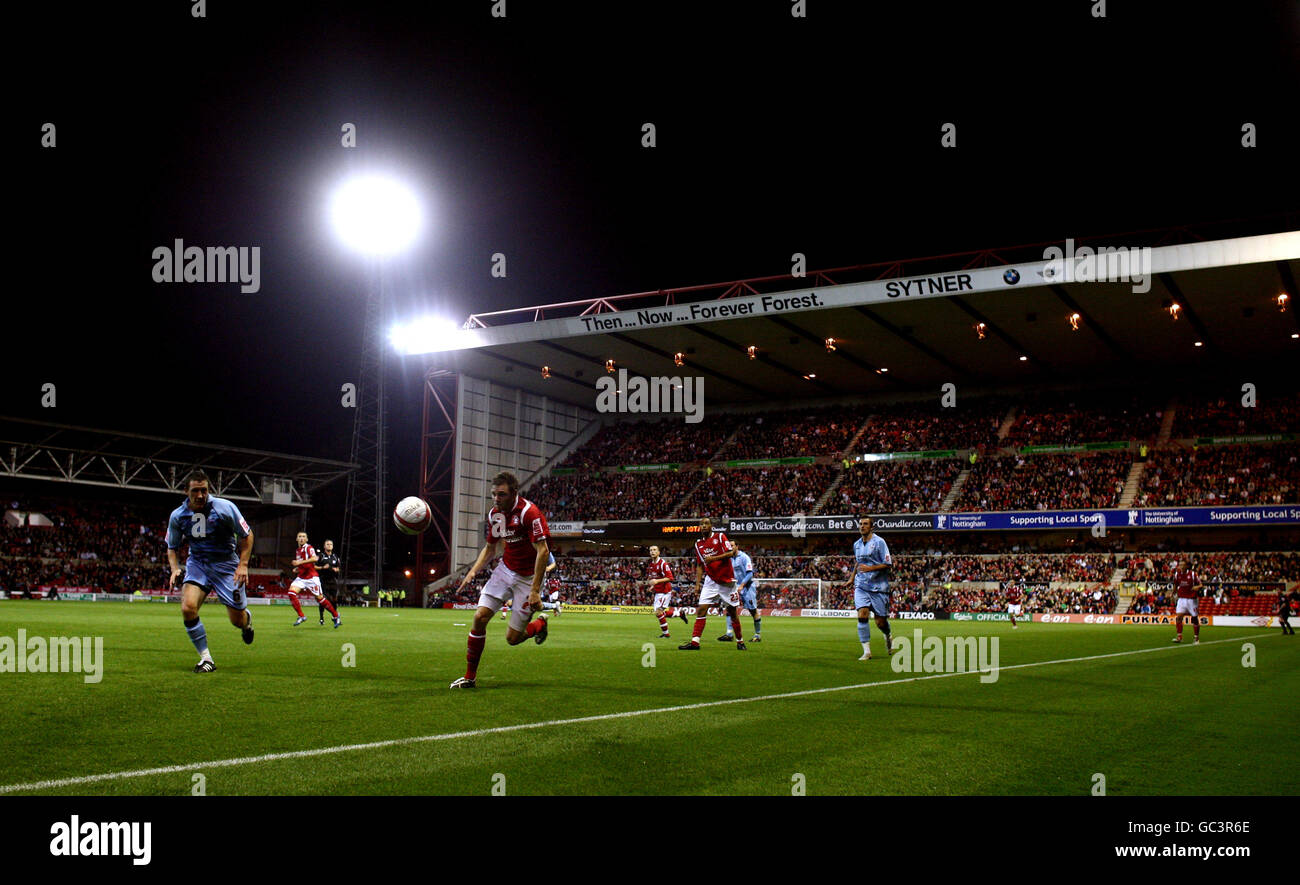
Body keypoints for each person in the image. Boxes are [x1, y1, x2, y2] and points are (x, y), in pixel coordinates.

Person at [450, 472, 554, 689]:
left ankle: (540, 624)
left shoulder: (529, 513)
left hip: (527, 579)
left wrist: (535, 590)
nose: (496, 499)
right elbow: (491, 548)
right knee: (479, 617)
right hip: (505, 571)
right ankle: (470, 677)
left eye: (502, 494)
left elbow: (543, 552)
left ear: (514, 493)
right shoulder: (495, 514)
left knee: (513, 639)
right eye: (493, 494)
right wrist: (472, 571)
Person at [166, 469, 255, 673]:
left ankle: (247, 622)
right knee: (188, 607)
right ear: (186, 491)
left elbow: (247, 535)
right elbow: (172, 547)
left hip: (226, 567)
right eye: (195, 491)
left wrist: (243, 564)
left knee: (236, 621)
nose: (200, 495)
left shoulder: (225, 508)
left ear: (209, 490)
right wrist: (174, 569)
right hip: (198, 564)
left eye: (204, 491)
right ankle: (206, 658)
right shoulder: (178, 516)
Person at [679, 516, 745, 651]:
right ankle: (695, 642)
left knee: (733, 613)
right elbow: (699, 565)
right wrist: (697, 584)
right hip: (710, 581)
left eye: (706, 523)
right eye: (701, 524)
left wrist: (713, 558)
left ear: (711, 526)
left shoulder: (720, 537)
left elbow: (730, 553)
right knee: (701, 610)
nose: (704, 526)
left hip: (727, 581)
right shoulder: (698, 544)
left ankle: (740, 641)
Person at [849, 516, 895, 660]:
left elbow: (888, 564)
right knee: (862, 615)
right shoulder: (856, 544)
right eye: (861, 524)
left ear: (871, 527)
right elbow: (858, 562)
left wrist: (870, 568)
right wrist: (851, 578)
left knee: (880, 622)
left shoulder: (879, 542)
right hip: (861, 586)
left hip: (878, 587)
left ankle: (887, 635)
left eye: (865, 524)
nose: (862, 526)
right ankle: (867, 651)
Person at [288, 532, 341, 628]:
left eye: (303, 537)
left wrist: (299, 562)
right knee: (291, 593)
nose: (301, 538)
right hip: (301, 577)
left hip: (312, 578)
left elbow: (314, 558)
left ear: (307, 539)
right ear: (296, 539)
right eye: (299, 536)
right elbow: (305, 563)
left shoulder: (308, 548)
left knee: (320, 599)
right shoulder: (298, 550)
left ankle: (336, 615)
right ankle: (301, 616)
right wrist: (298, 568)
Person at [718, 546, 761, 642]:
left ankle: (757, 635)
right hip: (734, 587)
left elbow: (750, 574)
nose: (730, 547)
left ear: (737, 546)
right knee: (730, 609)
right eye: (729, 546)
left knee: (753, 611)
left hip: (747, 586)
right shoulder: (728, 558)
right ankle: (729, 633)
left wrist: (741, 585)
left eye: (732, 545)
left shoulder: (744, 557)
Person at [648, 545, 688, 638]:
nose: (652, 552)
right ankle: (679, 614)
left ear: (658, 552)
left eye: (654, 550)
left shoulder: (662, 564)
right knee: (659, 613)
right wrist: (653, 585)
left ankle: (666, 634)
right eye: (650, 550)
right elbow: (656, 577)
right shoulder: (651, 564)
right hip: (658, 591)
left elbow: (670, 578)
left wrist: (657, 581)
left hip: (665, 591)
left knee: (658, 613)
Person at [1169, 559, 1202, 645]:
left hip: (1192, 599)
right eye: (1180, 565)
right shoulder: (1177, 574)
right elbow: (1176, 585)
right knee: (1179, 617)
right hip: (1181, 599)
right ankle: (1179, 636)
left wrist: (1197, 587)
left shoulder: (1193, 574)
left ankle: (1196, 638)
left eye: (1183, 565)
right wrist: (1172, 594)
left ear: (1187, 566)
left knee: (1194, 619)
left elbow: (1201, 584)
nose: (1181, 566)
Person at [316, 539, 342, 622]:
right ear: (324, 546)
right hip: (323, 580)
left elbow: (339, 568)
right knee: (324, 599)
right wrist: (323, 567)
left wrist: (336, 569)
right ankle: (321, 617)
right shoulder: (320, 556)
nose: (329, 545)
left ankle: (334, 616)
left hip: (333, 580)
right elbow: (314, 566)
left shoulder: (335, 557)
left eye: (331, 544)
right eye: (327, 544)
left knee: (334, 599)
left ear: (333, 546)